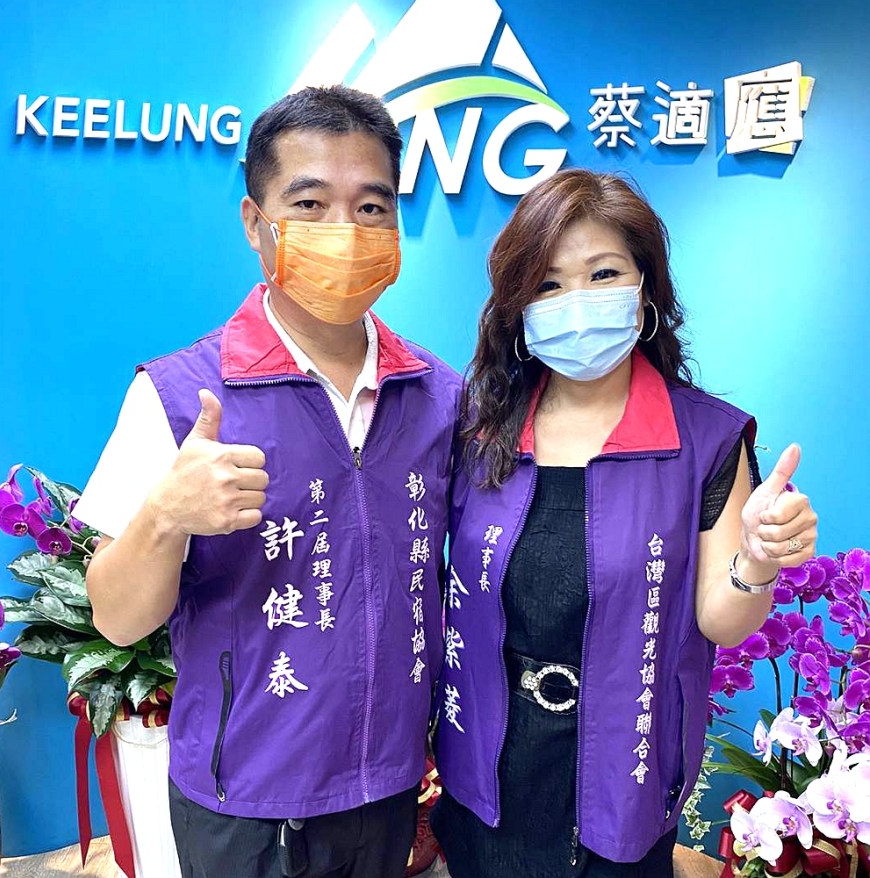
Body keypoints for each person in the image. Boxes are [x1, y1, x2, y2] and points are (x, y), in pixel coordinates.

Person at [76, 85, 461, 878]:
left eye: (371, 208)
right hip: (244, 801)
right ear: (255, 223)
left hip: (388, 788)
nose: (344, 232)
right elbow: (115, 619)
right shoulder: (181, 395)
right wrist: (165, 517)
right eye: (309, 204)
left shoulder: (439, 397)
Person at [430, 169, 818, 877]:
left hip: (623, 768)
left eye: (603, 273)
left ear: (645, 290)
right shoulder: (479, 430)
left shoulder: (706, 440)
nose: (576, 302)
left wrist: (757, 560)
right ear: (520, 308)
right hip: (490, 765)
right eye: (548, 284)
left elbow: (723, 621)